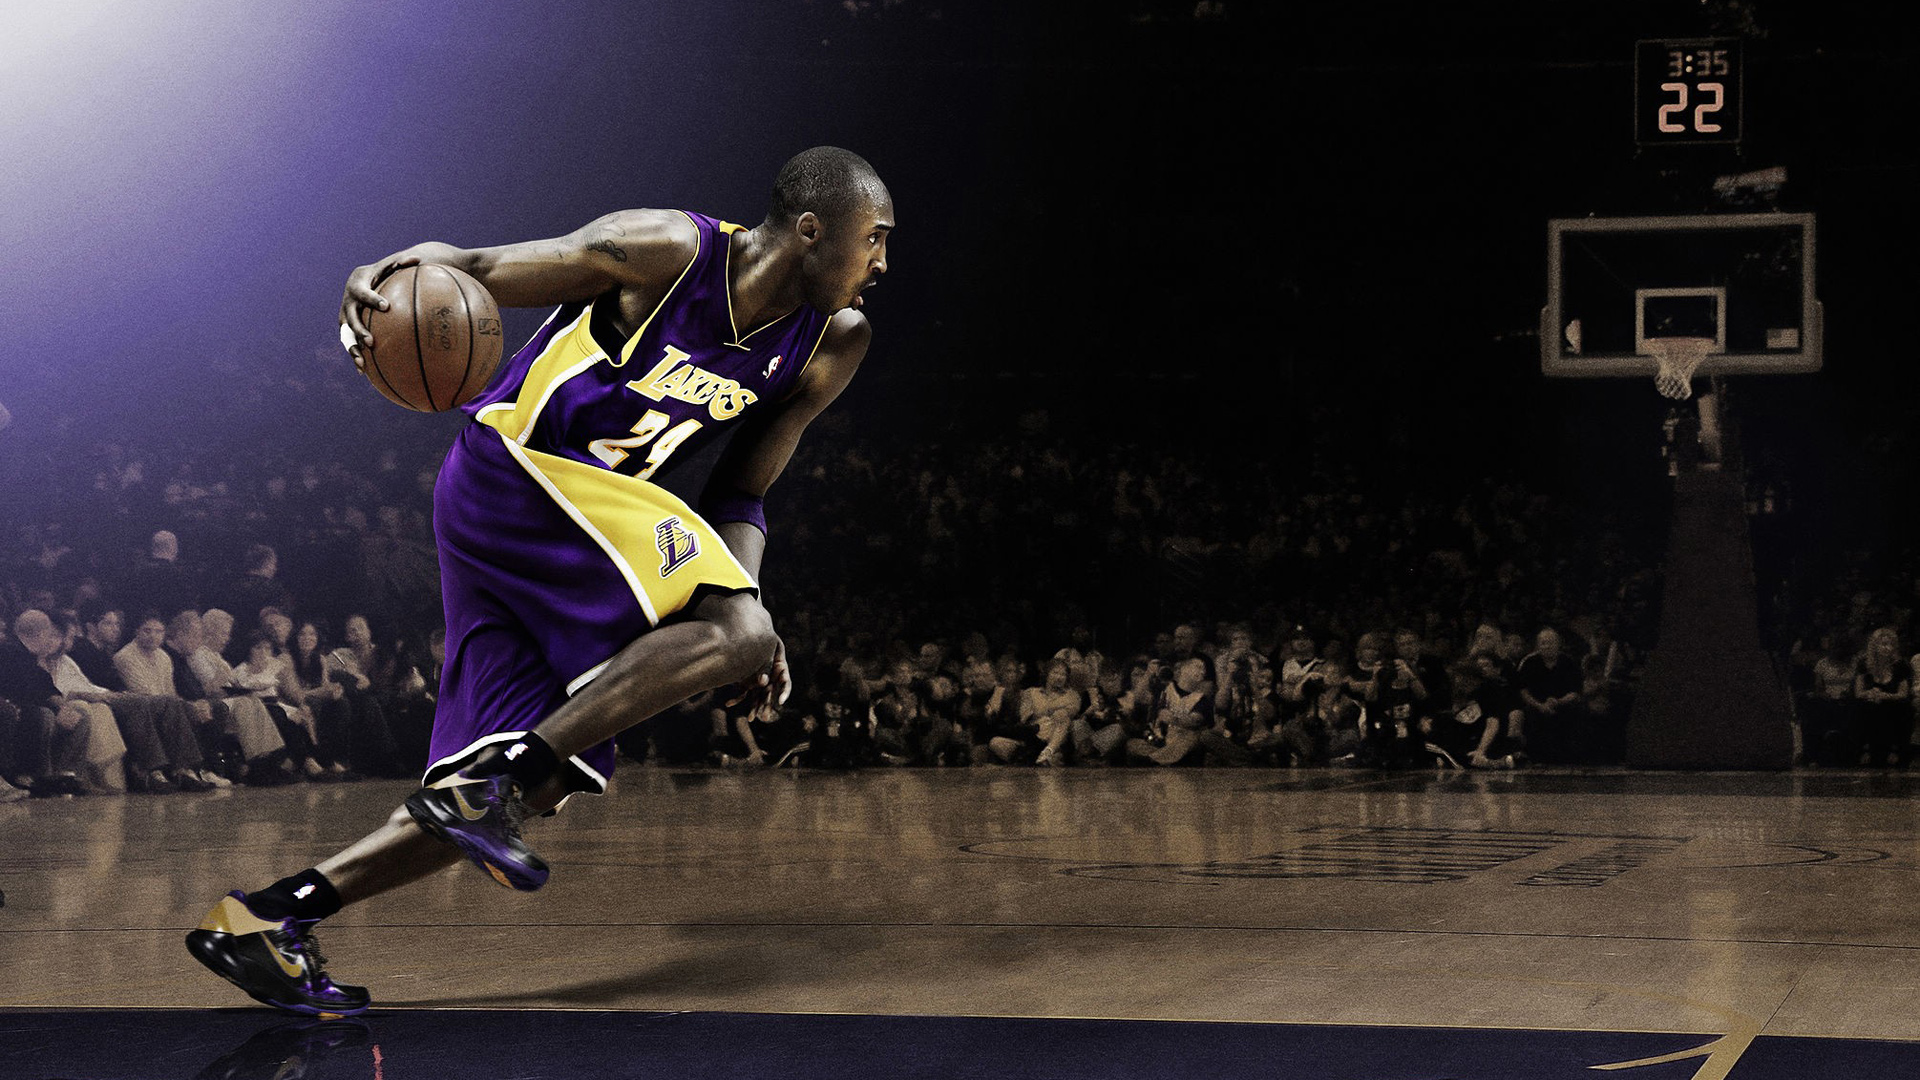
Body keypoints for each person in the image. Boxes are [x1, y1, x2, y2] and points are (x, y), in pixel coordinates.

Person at [188, 146, 892, 1016]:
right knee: (733, 639)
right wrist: (379, 276)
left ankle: (267, 919)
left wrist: (740, 605)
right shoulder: (669, 250)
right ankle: (504, 777)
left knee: (523, 790)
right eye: (875, 238)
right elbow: (475, 267)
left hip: (568, 523)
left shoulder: (833, 340)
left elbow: (742, 491)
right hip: (515, 470)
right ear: (813, 229)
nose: (882, 263)